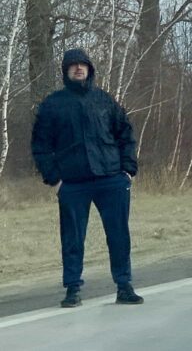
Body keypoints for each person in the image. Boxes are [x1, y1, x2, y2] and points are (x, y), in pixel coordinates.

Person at [31, 48, 143, 308]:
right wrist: (55, 180)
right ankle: (72, 289)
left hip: (111, 179)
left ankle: (124, 286)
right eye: (73, 65)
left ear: (90, 69)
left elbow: (125, 134)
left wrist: (127, 170)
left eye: (83, 65)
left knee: (118, 234)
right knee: (72, 238)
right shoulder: (53, 104)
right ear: (65, 71)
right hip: (72, 183)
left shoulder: (104, 100)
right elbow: (40, 145)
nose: (79, 68)